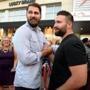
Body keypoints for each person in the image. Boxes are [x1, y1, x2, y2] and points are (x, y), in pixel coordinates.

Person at [12, 3, 51, 90]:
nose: (33, 15)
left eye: (36, 13)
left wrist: (49, 48)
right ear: (26, 14)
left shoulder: (40, 32)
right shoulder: (21, 31)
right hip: (24, 84)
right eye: (30, 12)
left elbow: (48, 45)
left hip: (36, 82)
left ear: (40, 16)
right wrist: (44, 52)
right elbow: (26, 59)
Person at [48, 10, 88, 90]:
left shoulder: (72, 43)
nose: (55, 25)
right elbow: (61, 64)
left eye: (59, 22)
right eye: (55, 22)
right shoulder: (66, 42)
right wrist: (49, 53)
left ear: (69, 24)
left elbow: (80, 80)